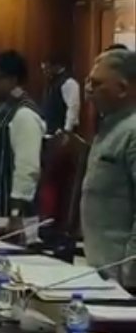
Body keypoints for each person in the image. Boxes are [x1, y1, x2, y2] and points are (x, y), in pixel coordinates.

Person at [81, 49, 136, 285]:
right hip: (101, 266)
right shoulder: (110, 127)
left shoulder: (132, 130)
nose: (88, 90)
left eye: (96, 84)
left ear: (122, 88)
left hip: (124, 274)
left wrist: (131, 273)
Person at [0, 50, 46, 227]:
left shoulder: (24, 114)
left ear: (13, 80)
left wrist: (16, 214)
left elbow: (27, 169)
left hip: (9, 218)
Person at [41, 57, 81, 135]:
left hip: (61, 133)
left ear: (56, 66)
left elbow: (73, 108)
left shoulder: (69, 82)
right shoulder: (51, 83)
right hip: (50, 131)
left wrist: (66, 131)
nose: (44, 72)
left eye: (46, 68)